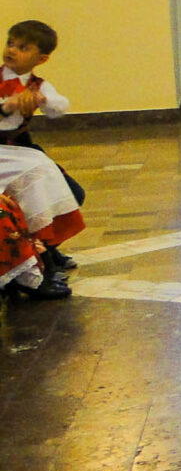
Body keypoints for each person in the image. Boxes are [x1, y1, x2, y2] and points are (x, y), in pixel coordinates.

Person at [2, 19, 83, 292]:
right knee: (33, 196)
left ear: (42, 58)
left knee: (73, 193)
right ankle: (38, 261)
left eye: (23, 47)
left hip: (21, 147)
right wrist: (7, 106)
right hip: (5, 153)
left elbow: (60, 108)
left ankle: (49, 247)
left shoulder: (37, 85)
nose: (12, 50)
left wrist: (43, 100)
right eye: (10, 43)